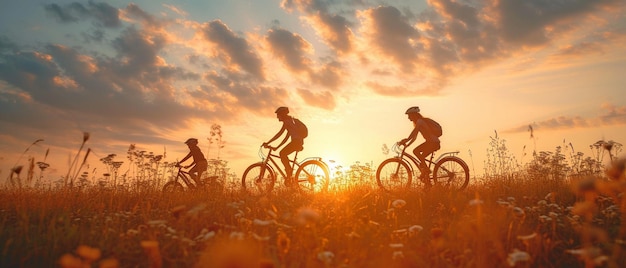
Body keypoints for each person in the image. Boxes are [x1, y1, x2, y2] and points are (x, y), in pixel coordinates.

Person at [263, 106, 306, 186]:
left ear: (282, 114)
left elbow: (279, 134)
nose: (277, 117)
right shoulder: (291, 122)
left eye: (278, 115)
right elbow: (285, 138)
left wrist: (268, 142)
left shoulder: (287, 122)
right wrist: (277, 147)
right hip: (298, 142)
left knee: (282, 154)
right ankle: (290, 175)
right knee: (282, 153)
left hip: (296, 142)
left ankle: (289, 174)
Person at [398, 106, 441, 186]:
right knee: (421, 162)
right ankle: (427, 182)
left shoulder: (420, 122)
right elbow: (414, 137)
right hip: (431, 143)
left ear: (413, 115)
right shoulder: (419, 122)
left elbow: (414, 132)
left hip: (433, 143)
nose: (408, 118)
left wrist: (406, 139)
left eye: (409, 115)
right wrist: (407, 144)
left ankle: (427, 171)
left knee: (418, 154)